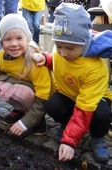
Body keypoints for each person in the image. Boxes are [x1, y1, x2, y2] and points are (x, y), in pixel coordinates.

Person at [37, 3, 112, 162]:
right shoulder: (62, 51)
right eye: (58, 46)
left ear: (84, 43)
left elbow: (85, 107)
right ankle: (67, 124)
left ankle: (97, 137)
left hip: (93, 101)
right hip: (70, 94)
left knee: (102, 113)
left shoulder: (94, 69)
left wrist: (69, 141)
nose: (63, 53)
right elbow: (58, 63)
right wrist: (45, 59)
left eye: (70, 48)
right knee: (52, 105)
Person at [0, 13, 52, 137]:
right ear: (1, 41)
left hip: (39, 96)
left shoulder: (34, 61)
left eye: (19, 38)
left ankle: (38, 120)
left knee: (19, 91)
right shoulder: (0, 56)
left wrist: (26, 123)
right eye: (8, 39)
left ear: (27, 38)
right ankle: (20, 110)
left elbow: (44, 96)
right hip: (22, 87)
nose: (14, 44)